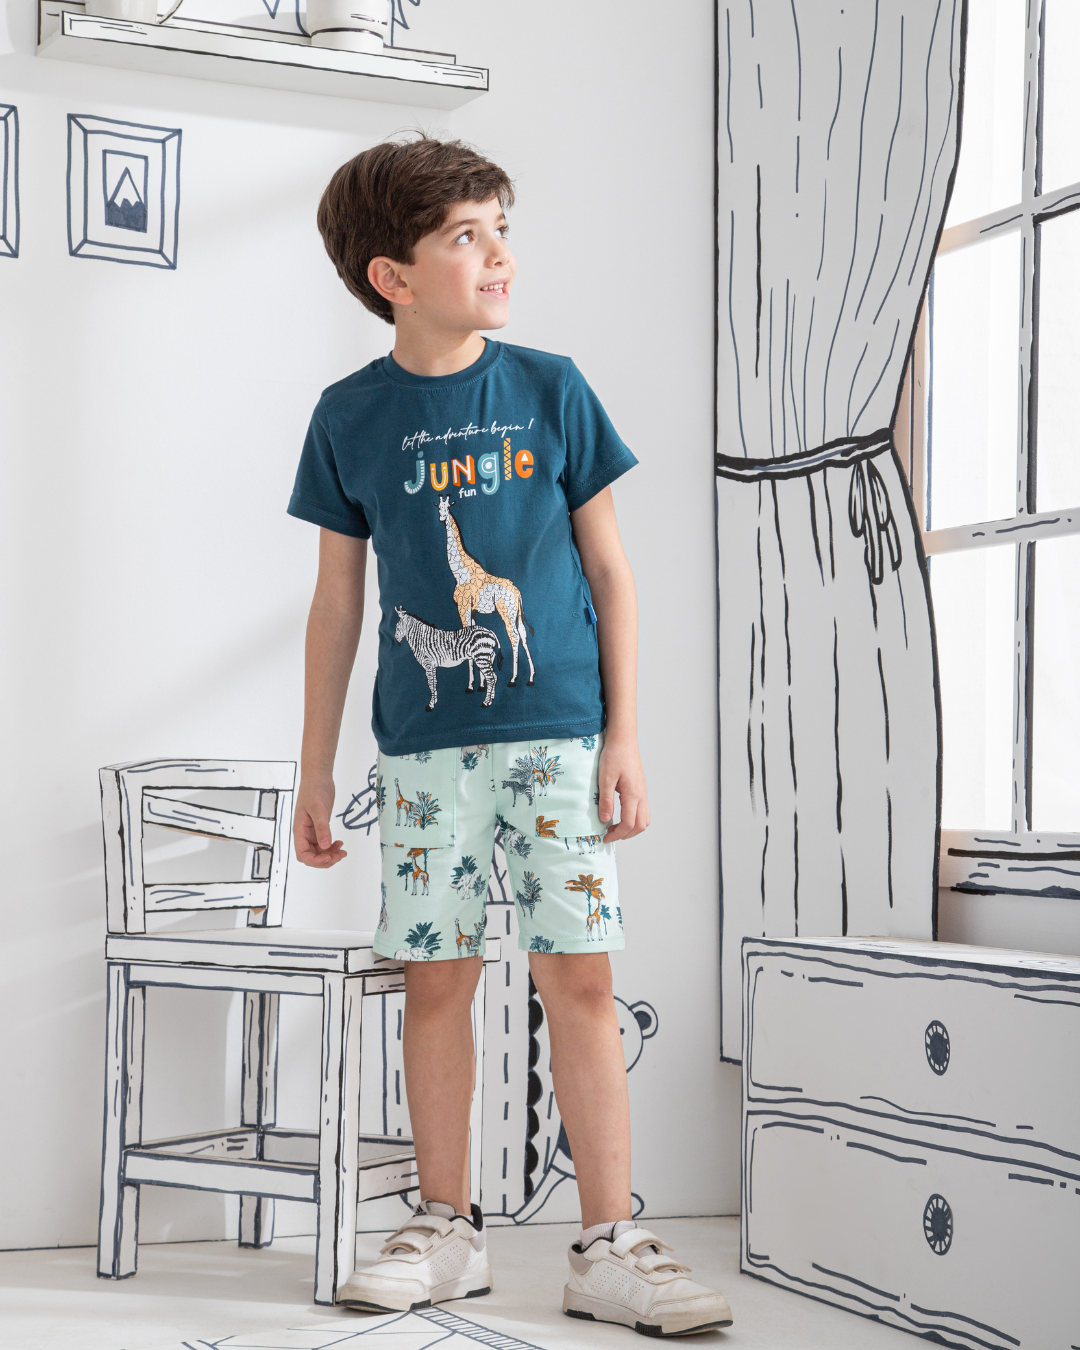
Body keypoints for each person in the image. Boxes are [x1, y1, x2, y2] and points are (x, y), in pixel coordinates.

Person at [287, 135, 732, 1337]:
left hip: (558, 741)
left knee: (579, 978)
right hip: (422, 753)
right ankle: (446, 1231)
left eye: (501, 229)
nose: (499, 256)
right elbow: (338, 605)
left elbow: (610, 569)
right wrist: (317, 768)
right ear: (393, 276)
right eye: (466, 236)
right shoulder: (349, 417)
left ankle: (610, 1244)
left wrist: (625, 736)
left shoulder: (551, 388)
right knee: (436, 982)